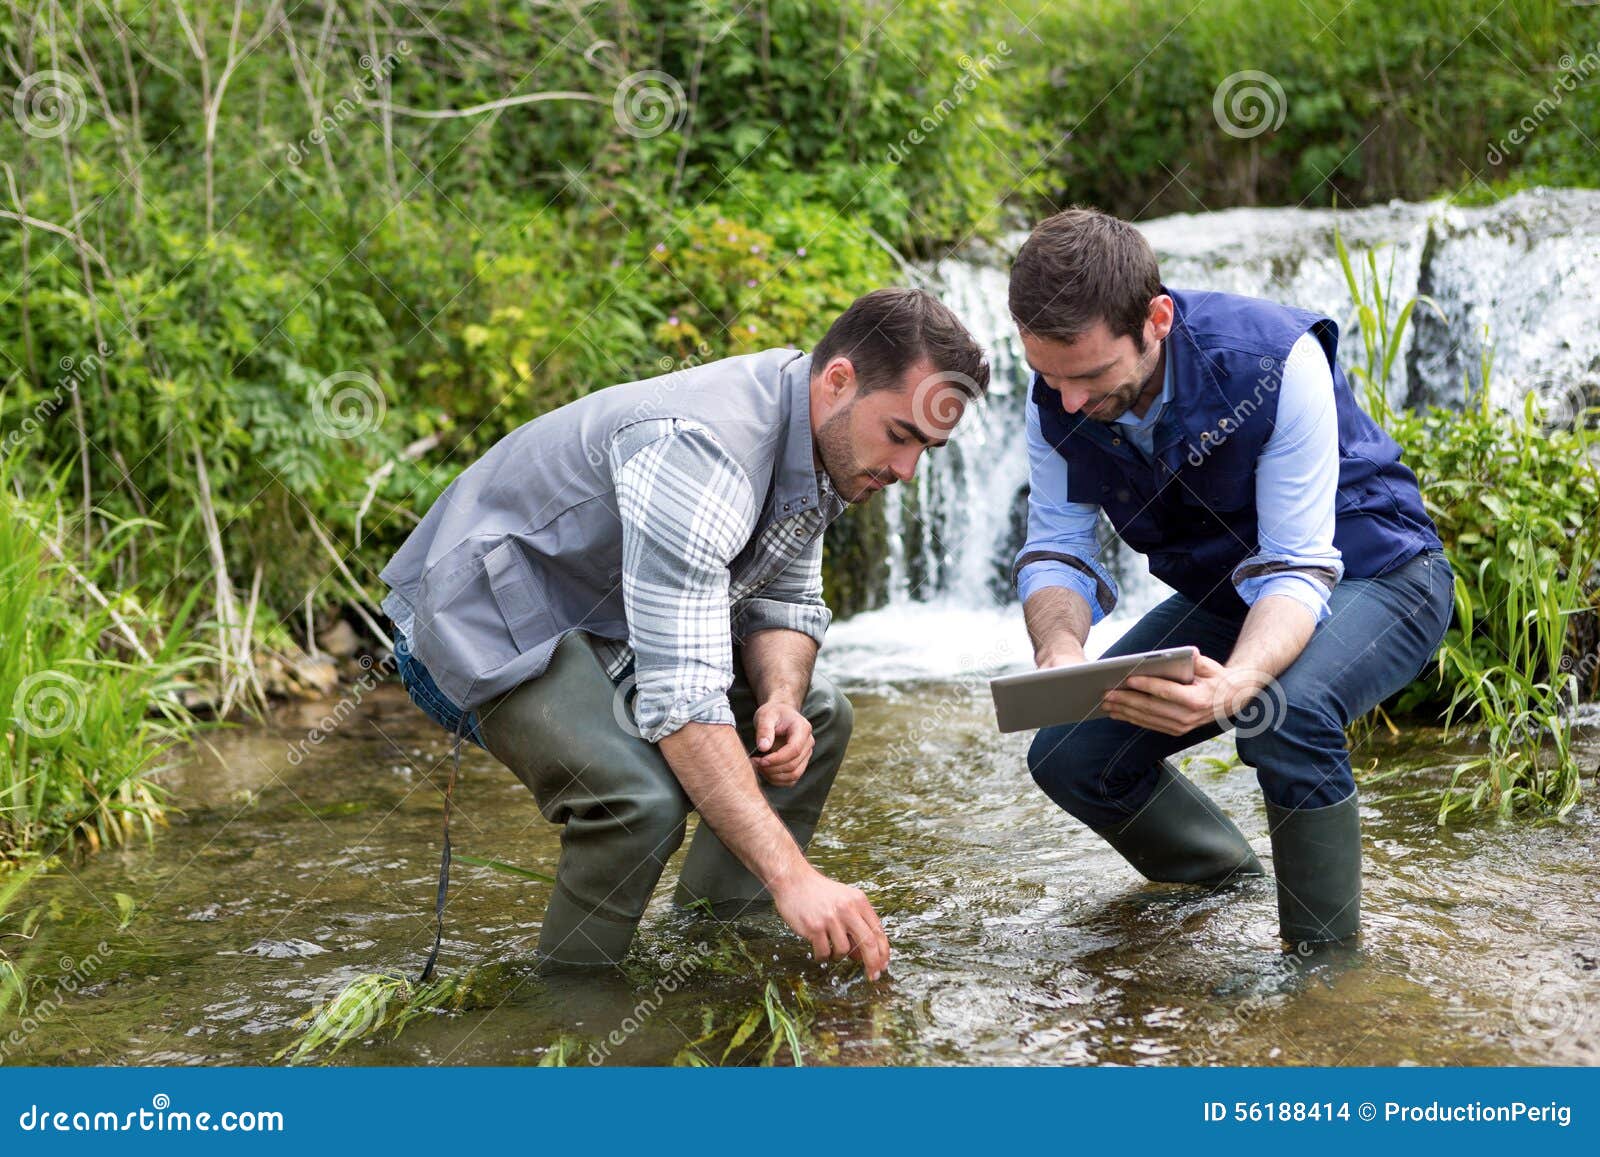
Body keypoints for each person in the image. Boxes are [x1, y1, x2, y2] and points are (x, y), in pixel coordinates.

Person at [380, 288, 988, 975]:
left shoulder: (829, 436)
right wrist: (797, 878)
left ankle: (715, 954)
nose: (906, 471)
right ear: (839, 380)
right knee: (638, 799)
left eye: (926, 448)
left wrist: (780, 699)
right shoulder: (703, 449)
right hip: (480, 617)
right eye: (901, 435)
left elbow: (785, 598)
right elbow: (682, 702)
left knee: (819, 715)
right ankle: (569, 1015)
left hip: (609, 623)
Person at [1008, 208, 1452, 949]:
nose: (1071, 401)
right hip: (1240, 590)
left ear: (1156, 318)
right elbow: (1058, 549)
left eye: (1087, 375)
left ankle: (1322, 967)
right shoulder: (1056, 394)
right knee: (1068, 754)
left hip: (1384, 572)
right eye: (1050, 376)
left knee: (1285, 708)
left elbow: (1297, 564)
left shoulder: (1275, 360)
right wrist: (1060, 655)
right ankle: (1228, 888)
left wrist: (1234, 682)